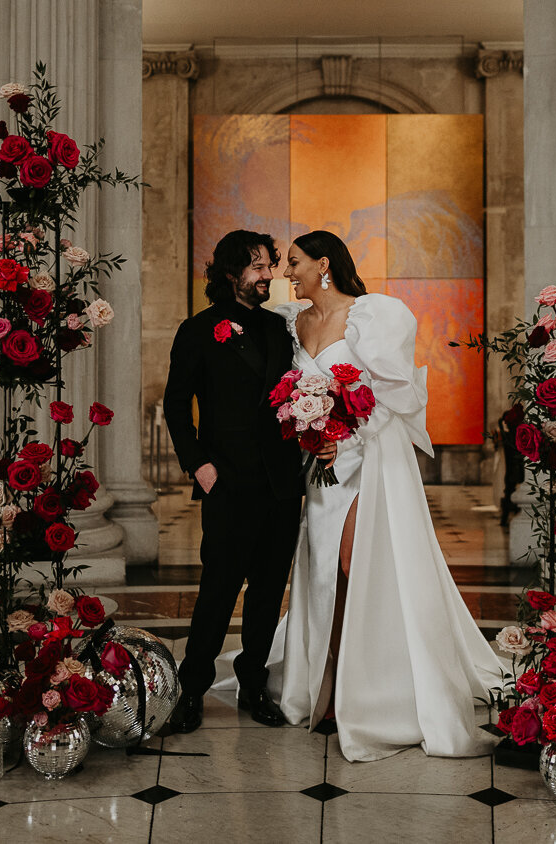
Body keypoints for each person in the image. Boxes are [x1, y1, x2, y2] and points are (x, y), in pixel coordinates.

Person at [259, 230, 504, 762]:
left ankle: (371, 692)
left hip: (369, 460)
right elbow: (287, 395)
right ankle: (325, 684)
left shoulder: (376, 315)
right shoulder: (289, 323)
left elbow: (395, 396)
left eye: (294, 263)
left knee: (358, 566)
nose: (287, 273)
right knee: (325, 569)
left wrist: (343, 432)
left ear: (323, 263)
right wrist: (308, 434)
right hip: (319, 467)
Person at [162, 230, 304, 733]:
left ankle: (252, 684)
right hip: (227, 481)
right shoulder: (198, 330)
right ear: (230, 273)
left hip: (282, 483)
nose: (269, 275)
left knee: (268, 592)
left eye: (270, 266)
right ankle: (192, 687)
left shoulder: (278, 329)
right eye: (258, 267)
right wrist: (198, 464)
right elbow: (176, 405)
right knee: (218, 590)